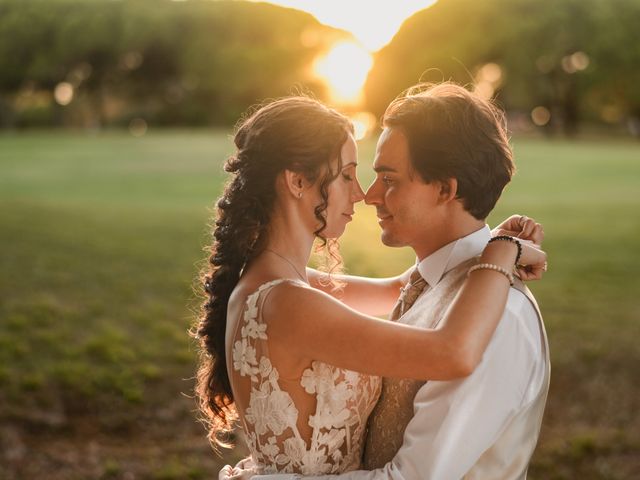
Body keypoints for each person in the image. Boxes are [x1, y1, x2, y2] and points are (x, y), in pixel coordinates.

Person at [195, 93, 546, 476]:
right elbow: (452, 352)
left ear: (445, 190)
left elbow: (400, 286)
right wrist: (499, 250)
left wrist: (496, 246)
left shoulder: (285, 283)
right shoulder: (285, 300)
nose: (365, 194)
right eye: (348, 175)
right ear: (297, 181)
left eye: (388, 178)